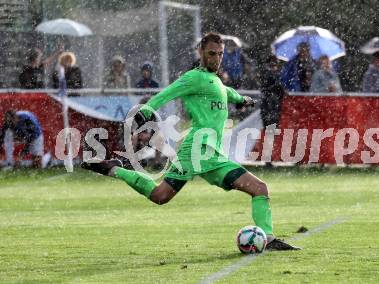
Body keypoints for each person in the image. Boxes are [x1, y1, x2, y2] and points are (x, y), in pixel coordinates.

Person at [81, 32, 300, 251]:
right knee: (260, 188)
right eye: (212, 53)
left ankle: (113, 169)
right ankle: (268, 239)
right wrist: (146, 111)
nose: (216, 58)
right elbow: (167, 93)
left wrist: (243, 100)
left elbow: (227, 92)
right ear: (201, 53)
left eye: (220, 54)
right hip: (200, 149)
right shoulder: (194, 77)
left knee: (160, 196)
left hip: (203, 153)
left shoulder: (215, 81)